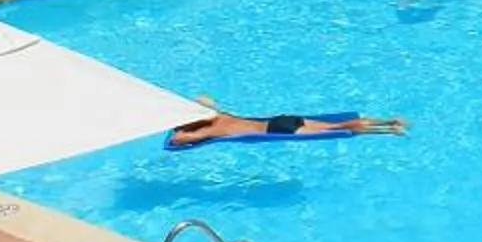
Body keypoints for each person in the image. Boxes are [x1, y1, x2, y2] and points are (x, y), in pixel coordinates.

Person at [166, 106, 408, 148]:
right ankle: (390, 121)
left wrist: (182, 131)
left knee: (340, 130)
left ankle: (388, 130)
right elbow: (205, 99)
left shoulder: (212, 130)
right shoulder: (220, 115)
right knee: (336, 124)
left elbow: (176, 141)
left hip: (277, 131)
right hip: (281, 120)